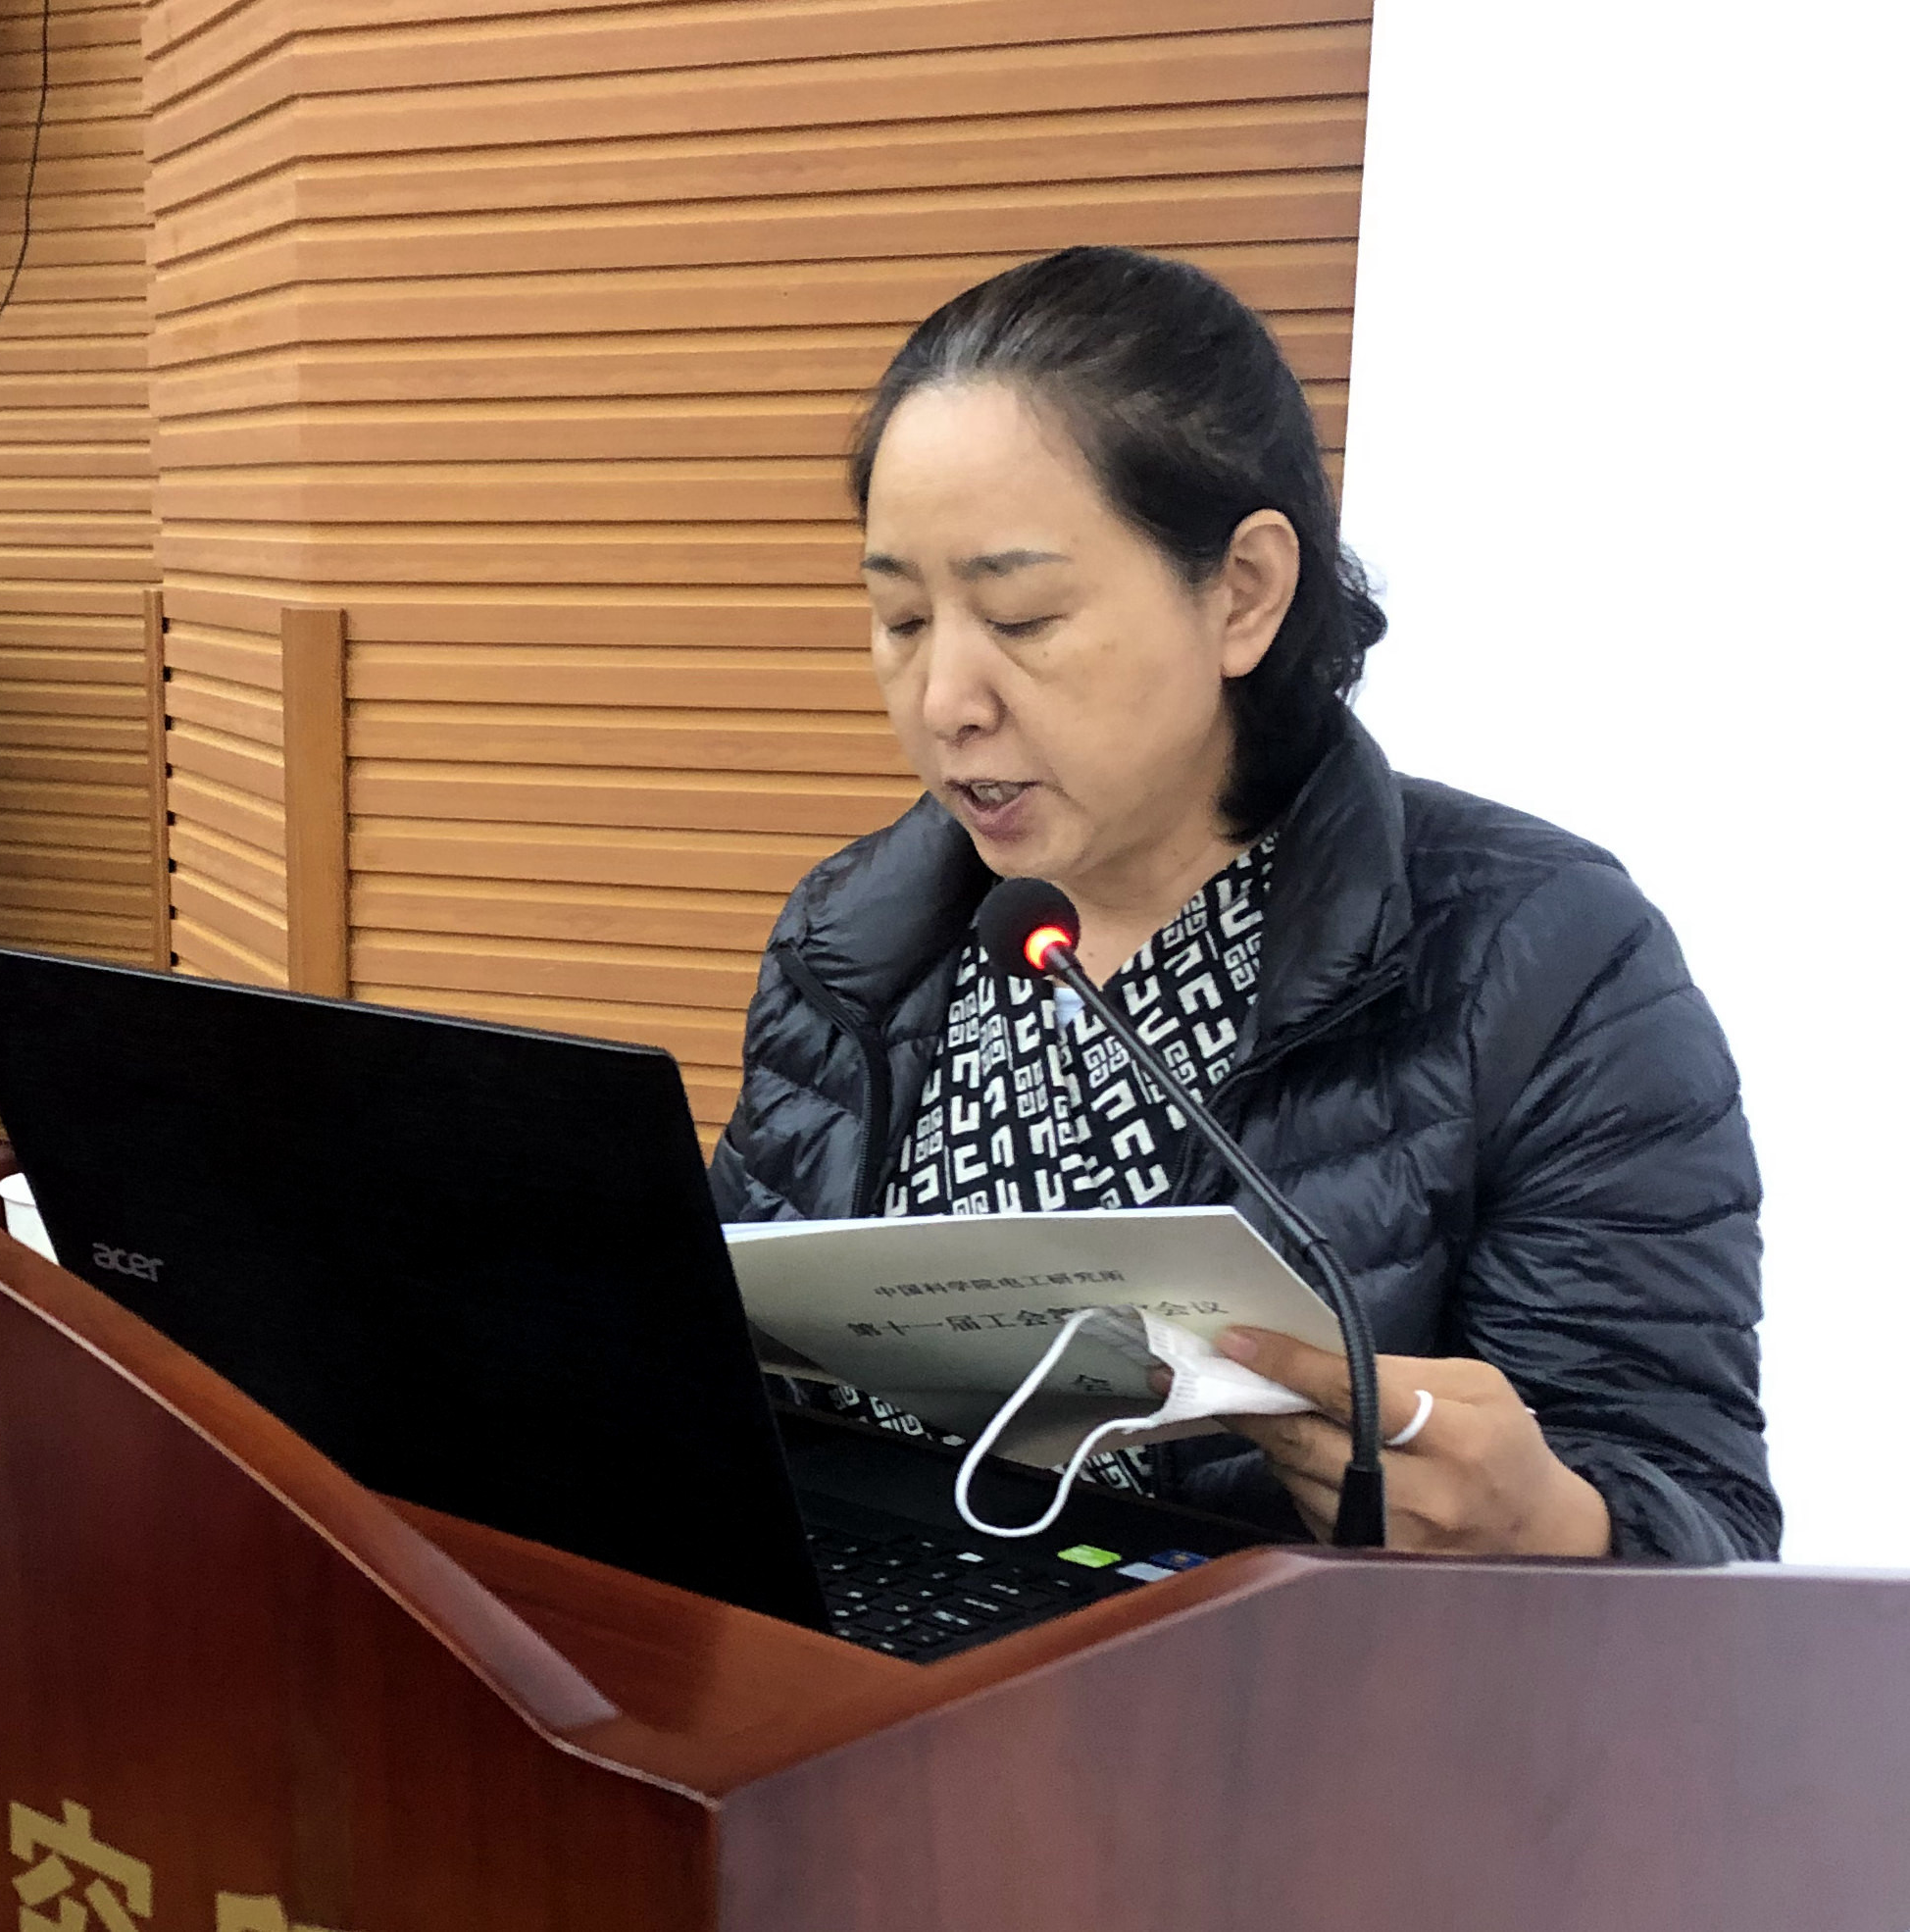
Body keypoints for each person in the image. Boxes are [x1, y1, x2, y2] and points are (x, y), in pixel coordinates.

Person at [708, 247, 1776, 1561]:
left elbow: (1705, 1529)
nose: (944, 702)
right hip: (870, 1660)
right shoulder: (853, 939)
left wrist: (1552, 1525)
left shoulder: (1549, 965)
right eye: (900, 620)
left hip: (1289, 1685)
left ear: (1245, 592)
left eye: (1022, 617)